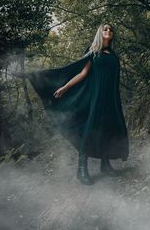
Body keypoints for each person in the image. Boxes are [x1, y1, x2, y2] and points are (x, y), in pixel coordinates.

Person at [27, 24, 129, 185]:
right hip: (96, 97)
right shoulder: (94, 53)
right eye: (105, 29)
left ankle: (105, 164)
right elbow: (82, 74)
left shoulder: (114, 55)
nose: (108, 31)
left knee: (109, 128)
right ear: (100, 33)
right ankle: (82, 168)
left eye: (110, 30)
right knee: (91, 129)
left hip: (111, 98)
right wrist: (65, 87)